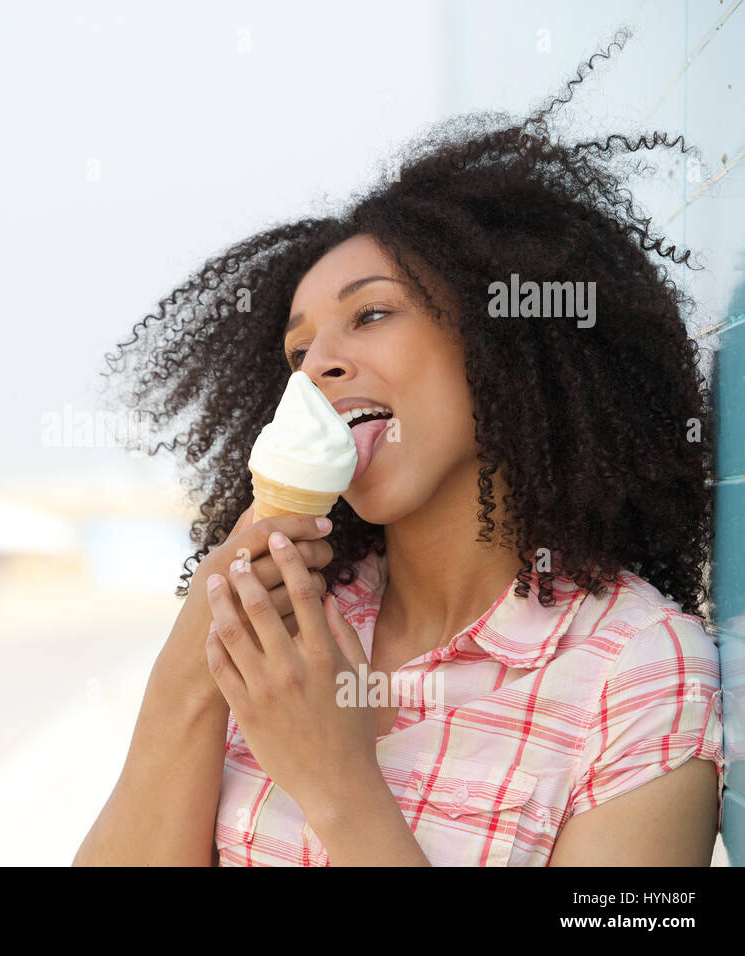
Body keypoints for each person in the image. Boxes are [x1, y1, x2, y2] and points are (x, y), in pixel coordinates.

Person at [73, 32, 724, 866]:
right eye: (297, 352)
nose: (318, 365)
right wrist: (187, 677)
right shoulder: (290, 620)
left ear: (508, 340)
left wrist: (340, 787)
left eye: (371, 313)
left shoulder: (637, 669)